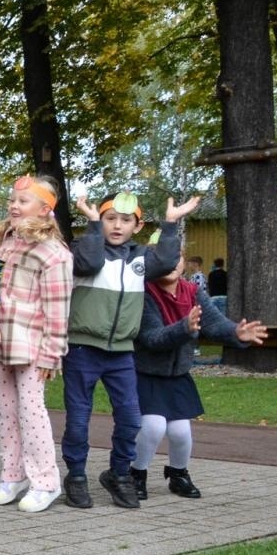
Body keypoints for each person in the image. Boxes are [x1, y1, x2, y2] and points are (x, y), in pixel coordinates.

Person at [61, 190, 197, 508]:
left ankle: (119, 473)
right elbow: (90, 263)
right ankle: (77, 476)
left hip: (122, 352)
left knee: (131, 419)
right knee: (79, 420)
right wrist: (92, 226)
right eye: (110, 219)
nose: (117, 226)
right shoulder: (83, 248)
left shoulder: (140, 258)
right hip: (83, 348)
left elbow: (165, 260)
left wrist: (171, 223)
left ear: (138, 226)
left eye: (126, 220)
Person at [0, 175, 73, 513]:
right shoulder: (7, 242)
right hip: (1, 340)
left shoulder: (54, 254)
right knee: (6, 412)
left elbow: (58, 311)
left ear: (45, 209)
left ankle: (45, 480)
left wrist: (51, 355)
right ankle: (12, 474)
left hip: (31, 346)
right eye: (12, 200)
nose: (14, 206)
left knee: (31, 412)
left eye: (23, 201)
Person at [133, 251, 268, 499]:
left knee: (181, 431)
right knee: (153, 426)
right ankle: (135, 475)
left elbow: (215, 324)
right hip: (147, 373)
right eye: (164, 258)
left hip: (178, 375)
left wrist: (236, 333)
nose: (171, 263)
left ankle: (178, 475)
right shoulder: (144, 292)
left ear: (183, 262)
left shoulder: (192, 292)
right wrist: (184, 328)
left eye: (177, 258)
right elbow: (152, 337)